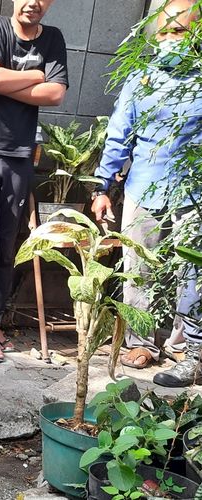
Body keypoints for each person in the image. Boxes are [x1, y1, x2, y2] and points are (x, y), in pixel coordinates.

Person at [91, 0, 202, 386]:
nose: (172, 39)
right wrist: (103, 187)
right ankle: (141, 342)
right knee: (140, 270)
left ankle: (187, 347)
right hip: (143, 189)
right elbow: (120, 136)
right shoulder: (140, 80)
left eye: (181, 31)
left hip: (194, 193)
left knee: (190, 273)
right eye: (166, 31)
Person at [0, 0, 68, 362]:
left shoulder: (52, 38)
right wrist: (37, 75)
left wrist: (7, 81)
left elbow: (55, 93)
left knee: (7, 246)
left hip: (19, 157)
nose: (33, 2)